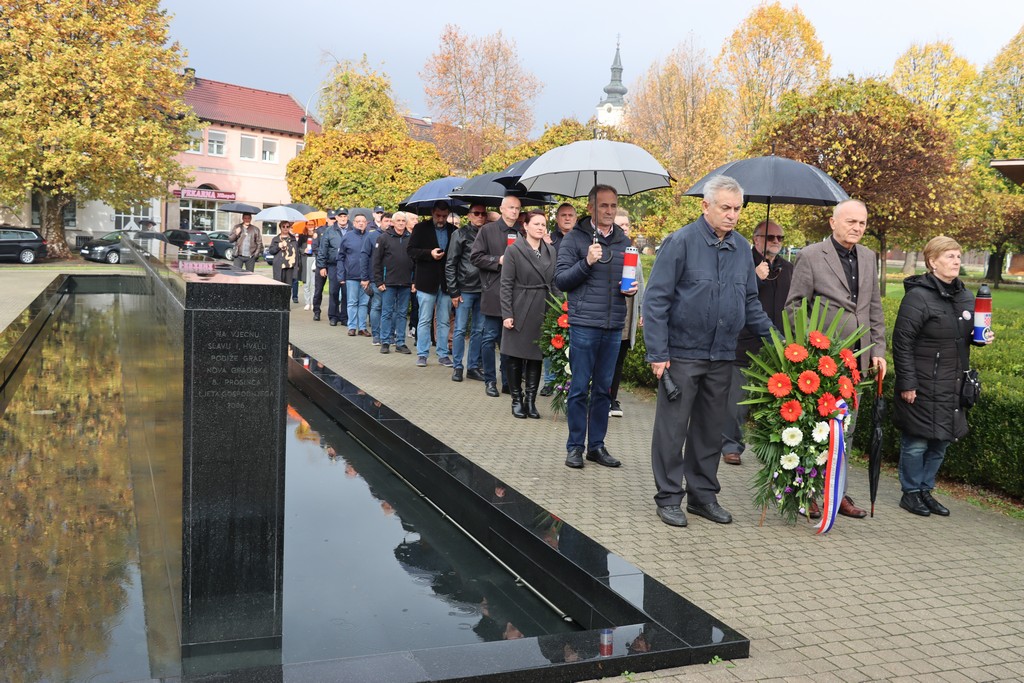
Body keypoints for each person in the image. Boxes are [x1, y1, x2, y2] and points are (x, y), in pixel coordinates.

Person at [643, 175, 775, 527]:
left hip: (722, 355)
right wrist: (657, 352)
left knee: (710, 431)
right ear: (706, 206)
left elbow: (750, 303)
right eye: (725, 208)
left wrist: (779, 343)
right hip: (682, 355)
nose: (732, 215)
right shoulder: (681, 242)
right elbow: (656, 300)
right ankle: (669, 497)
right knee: (672, 430)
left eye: (737, 209)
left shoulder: (742, 249)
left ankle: (702, 497)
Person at [786, 198, 887, 519]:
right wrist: (809, 349)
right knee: (816, 427)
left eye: (862, 223)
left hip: (857, 361)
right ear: (833, 223)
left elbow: (873, 308)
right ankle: (808, 491)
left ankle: (837, 491)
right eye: (850, 221)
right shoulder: (811, 255)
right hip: (822, 361)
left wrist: (878, 351)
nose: (857, 227)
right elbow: (795, 307)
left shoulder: (868, 257)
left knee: (847, 429)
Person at [892, 236, 982, 517]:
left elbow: (965, 335)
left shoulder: (965, 296)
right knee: (916, 442)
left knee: (942, 441)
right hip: (922, 383)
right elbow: (902, 342)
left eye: (958, 256)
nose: (956, 261)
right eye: (950, 256)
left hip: (952, 383)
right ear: (932, 262)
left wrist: (980, 337)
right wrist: (907, 383)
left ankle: (925, 490)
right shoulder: (917, 297)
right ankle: (910, 493)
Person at [553, 184, 637, 470]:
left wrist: (630, 290)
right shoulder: (575, 239)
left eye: (613, 205)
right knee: (579, 388)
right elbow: (561, 280)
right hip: (584, 324)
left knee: (603, 390)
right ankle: (575, 447)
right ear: (590, 208)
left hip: (613, 325)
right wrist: (587, 262)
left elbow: (627, 280)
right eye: (604, 205)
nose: (610, 211)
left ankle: (596, 446)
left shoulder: (623, 241)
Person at [720, 219, 794, 466]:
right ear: (756, 239)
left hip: (777, 345)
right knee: (737, 401)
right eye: (770, 237)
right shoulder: (742, 261)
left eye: (780, 238)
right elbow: (730, 295)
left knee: (773, 401)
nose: (776, 242)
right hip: (744, 343)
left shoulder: (788, 268)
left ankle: (768, 449)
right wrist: (755, 277)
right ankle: (731, 445)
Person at [500, 210, 557, 419]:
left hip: (543, 307)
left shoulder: (551, 250)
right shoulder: (514, 250)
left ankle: (530, 401)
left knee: (536, 356)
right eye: (536, 224)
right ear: (525, 226)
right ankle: (516, 399)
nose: (541, 228)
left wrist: (560, 309)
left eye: (543, 224)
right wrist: (507, 313)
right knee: (514, 355)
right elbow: (506, 284)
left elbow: (554, 282)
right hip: (520, 306)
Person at [471, 195, 522, 397]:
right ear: (501, 209)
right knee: (490, 337)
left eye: (517, 208)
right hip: (493, 291)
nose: (514, 211)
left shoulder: (522, 232)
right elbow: (475, 257)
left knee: (510, 340)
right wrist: (498, 260)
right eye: (511, 207)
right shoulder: (487, 230)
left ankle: (508, 381)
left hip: (517, 293)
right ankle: (490, 380)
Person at [408, 201, 455, 367]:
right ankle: (422, 354)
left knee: (444, 320)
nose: (441, 219)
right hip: (426, 281)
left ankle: (443, 354)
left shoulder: (453, 230)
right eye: (438, 215)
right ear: (432, 213)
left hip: (446, 282)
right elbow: (411, 250)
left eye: (444, 216)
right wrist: (430, 253)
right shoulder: (420, 228)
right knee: (424, 319)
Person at [608, 208, 644, 418]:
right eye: (619, 225)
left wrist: (642, 309)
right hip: (610, 311)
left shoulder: (633, 252)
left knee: (619, 359)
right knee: (606, 359)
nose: (624, 228)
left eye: (626, 225)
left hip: (628, 313)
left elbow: (641, 282)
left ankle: (612, 398)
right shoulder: (608, 249)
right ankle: (601, 397)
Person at [446, 203, 487, 382]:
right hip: (465, 288)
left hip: (484, 289)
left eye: (483, 213)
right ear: (469, 215)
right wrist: (454, 291)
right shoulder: (460, 234)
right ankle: (457, 366)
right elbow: (450, 263)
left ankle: (473, 367)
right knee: (460, 329)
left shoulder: (488, 233)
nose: (480, 216)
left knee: (478, 330)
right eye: (476, 213)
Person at [541, 203, 578, 397]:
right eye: (563, 215)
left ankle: (571, 382)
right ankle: (549, 381)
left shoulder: (582, 238)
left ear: (576, 218)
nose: (567, 218)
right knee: (553, 339)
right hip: (553, 297)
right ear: (557, 218)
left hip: (577, 295)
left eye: (570, 215)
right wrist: (543, 246)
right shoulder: (549, 239)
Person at [373, 212, 415, 354]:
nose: (401, 223)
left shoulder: (411, 238)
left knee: (402, 314)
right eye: (398, 220)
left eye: (403, 220)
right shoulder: (383, 238)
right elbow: (376, 261)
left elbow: (415, 261)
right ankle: (385, 342)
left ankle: (400, 343)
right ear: (393, 222)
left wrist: (414, 281)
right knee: (387, 313)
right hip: (388, 283)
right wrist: (379, 281)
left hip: (406, 282)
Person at [340, 214, 370, 336]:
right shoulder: (347, 237)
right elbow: (340, 257)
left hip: (366, 277)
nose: (361, 223)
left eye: (363, 221)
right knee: (352, 302)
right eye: (358, 221)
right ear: (354, 223)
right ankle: (352, 327)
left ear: (366, 223)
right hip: (351, 275)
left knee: (364, 303)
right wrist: (341, 275)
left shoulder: (370, 236)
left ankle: (362, 327)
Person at [360, 211, 387, 344]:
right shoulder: (372, 236)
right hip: (376, 278)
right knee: (376, 306)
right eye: (386, 221)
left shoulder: (397, 237)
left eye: (391, 221)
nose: (389, 224)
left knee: (391, 309)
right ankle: (376, 335)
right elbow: (364, 256)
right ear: (380, 222)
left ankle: (388, 334)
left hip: (393, 278)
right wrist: (365, 277)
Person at [316, 212, 345, 327]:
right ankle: (333, 316)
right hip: (333, 264)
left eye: (345, 216)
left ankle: (344, 317)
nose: (343, 218)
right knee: (333, 291)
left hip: (347, 265)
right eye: (340, 216)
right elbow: (323, 249)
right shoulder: (329, 230)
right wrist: (322, 266)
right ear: (336, 218)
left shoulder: (352, 229)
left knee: (346, 292)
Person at [311, 210, 339, 321]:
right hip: (321, 263)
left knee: (334, 290)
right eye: (331, 218)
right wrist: (323, 260)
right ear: (326, 219)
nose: (333, 221)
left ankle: (335, 313)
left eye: (334, 218)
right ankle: (316, 311)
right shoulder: (320, 230)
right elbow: (315, 248)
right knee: (318, 289)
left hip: (332, 264)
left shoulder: (337, 231)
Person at [268, 221, 298, 286]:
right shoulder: (275, 239)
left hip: (290, 267)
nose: (285, 228)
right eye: (283, 226)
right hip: (279, 267)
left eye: (287, 226)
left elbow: (296, 253)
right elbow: (271, 251)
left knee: (288, 287)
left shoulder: (293, 239)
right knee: (279, 287)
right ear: (280, 228)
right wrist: (278, 246)